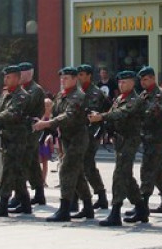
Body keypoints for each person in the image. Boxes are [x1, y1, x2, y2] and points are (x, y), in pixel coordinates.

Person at [89, 70, 148, 226]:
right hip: (119, 140)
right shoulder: (119, 98)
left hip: (130, 139)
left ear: (132, 83)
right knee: (126, 175)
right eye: (120, 82)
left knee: (120, 174)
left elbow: (121, 113)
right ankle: (141, 208)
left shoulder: (135, 99)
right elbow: (112, 113)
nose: (121, 85)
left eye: (125, 82)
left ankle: (115, 212)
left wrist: (101, 116)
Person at [33, 67, 92, 222]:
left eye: (66, 78)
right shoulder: (61, 95)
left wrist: (47, 124)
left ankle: (65, 208)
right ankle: (88, 207)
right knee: (77, 173)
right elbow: (56, 114)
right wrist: (50, 133)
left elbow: (68, 116)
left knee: (66, 169)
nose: (62, 81)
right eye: (61, 78)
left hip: (78, 138)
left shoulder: (78, 96)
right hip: (66, 138)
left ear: (74, 79)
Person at [0, 65, 32, 217]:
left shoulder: (22, 96)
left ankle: (3, 205)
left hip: (17, 138)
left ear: (17, 78)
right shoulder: (5, 94)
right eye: (5, 77)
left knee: (8, 171)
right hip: (6, 136)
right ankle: (26, 204)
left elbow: (11, 113)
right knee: (16, 171)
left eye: (9, 77)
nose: (6, 79)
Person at [134, 66, 162, 215]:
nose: (143, 83)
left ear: (152, 78)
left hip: (155, 137)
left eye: (145, 79)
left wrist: (136, 115)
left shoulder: (159, 94)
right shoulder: (144, 94)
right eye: (141, 80)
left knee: (147, 169)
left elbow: (152, 113)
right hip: (146, 137)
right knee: (157, 171)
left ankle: (142, 205)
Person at [76, 64, 109, 213]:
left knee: (86, 164)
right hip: (79, 133)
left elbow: (90, 112)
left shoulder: (95, 92)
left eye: (82, 74)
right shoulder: (78, 91)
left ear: (89, 75)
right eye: (78, 75)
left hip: (91, 133)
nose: (79, 77)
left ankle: (98, 196)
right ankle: (100, 196)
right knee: (85, 165)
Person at [18, 62, 47, 206]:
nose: (19, 76)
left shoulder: (35, 90)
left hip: (30, 131)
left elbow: (25, 107)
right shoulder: (21, 89)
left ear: (29, 73)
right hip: (21, 131)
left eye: (21, 73)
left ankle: (19, 195)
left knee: (22, 163)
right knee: (33, 165)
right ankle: (39, 193)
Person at [38, 97, 54, 187]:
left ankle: (43, 180)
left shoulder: (53, 117)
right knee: (37, 160)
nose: (46, 107)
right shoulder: (40, 115)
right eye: (45, 105)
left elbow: (54, 129)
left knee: (45, 161)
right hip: (39, 140)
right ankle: (39, 179)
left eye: (48, 105)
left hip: (47, 141)